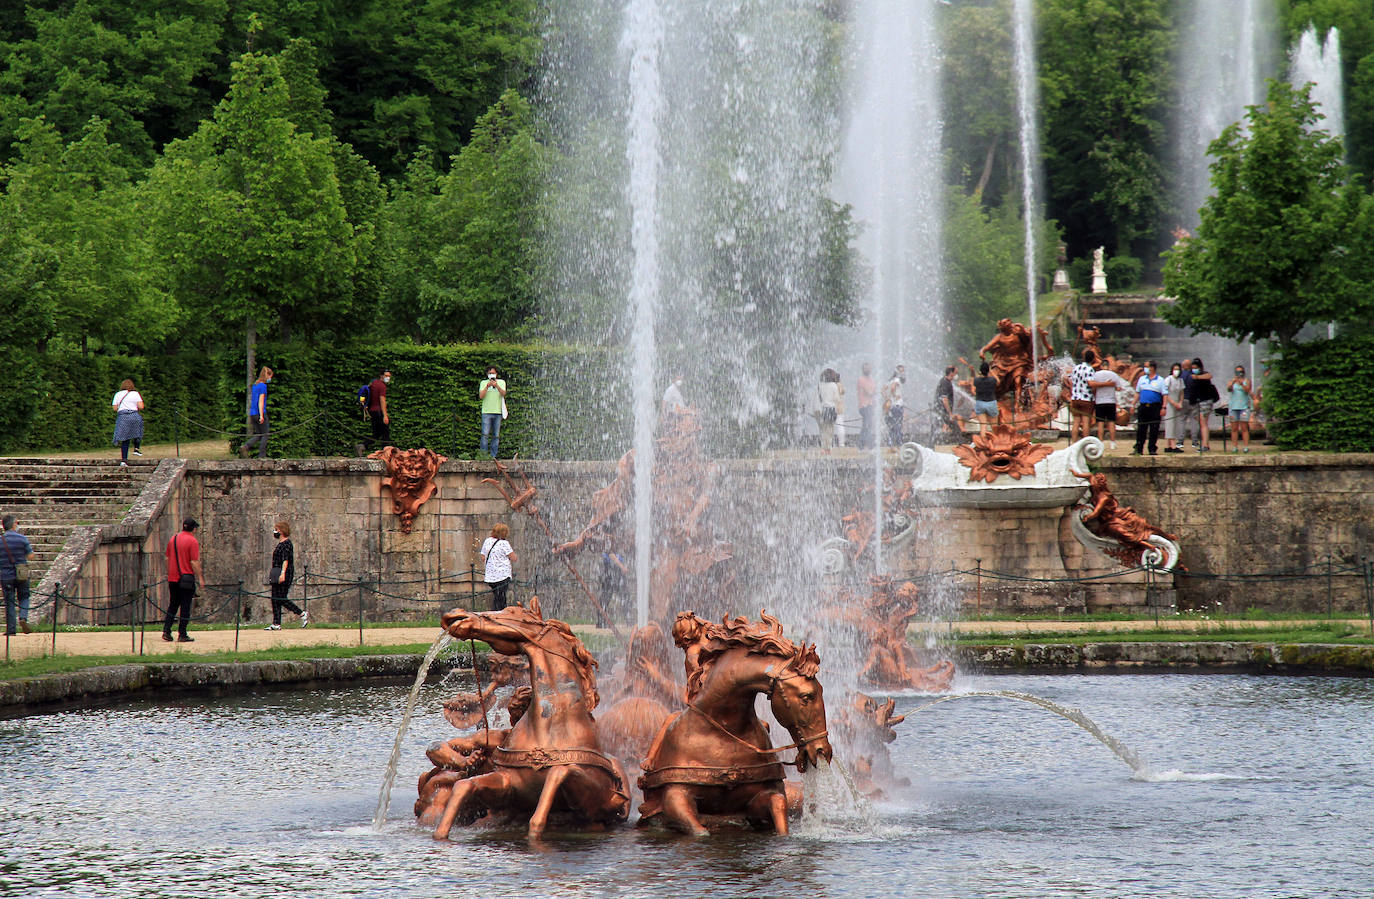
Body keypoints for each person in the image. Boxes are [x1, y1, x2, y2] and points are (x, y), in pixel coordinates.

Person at [264, 520, 307, 630]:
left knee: (281, 597)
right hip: (276, 571)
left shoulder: (287, 543)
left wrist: (283, 573)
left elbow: (285, 560)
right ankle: (276, 623)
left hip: (284, 572)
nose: (275, 531)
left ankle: (301, 613)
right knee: (275, 597)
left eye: (277, 529)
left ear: (282, 531)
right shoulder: (280, 544)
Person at [164, 517, 202, 642]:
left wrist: (170, 572)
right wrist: (200, 578)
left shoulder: (173, 539)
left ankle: (167, 630)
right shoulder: (192, 541)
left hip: (173, 577)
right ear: (194, 529)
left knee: (173, 605)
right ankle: (182, 633)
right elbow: (194, 562)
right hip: (186, 578)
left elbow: (167, 558)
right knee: (185, 606)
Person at [2, 514, 32, 636]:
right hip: (21, 573)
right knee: (24, 597)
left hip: (6, 574)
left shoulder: (1, 540)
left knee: (9, 601)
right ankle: (23, 617)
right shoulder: (22, 539)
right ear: (14, 524)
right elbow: (30, 555)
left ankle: (11, 629)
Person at [1088, 364, 1129, 449]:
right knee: (1111, 422)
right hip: (1111, 401)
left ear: (1101, 366)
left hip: (1100, 401)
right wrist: (1109, 385)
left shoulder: (1096, 374)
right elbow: (1118, 388)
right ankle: (1112, 442)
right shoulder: (1113, 375)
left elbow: (1092, 387)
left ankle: (1101, 442)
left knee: (1100, 423)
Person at [1133, 361, 1167, 456]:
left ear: (1152, 368)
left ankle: (1152, 448)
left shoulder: (1160, 380)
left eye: (1147, 367)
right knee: (1141, 428)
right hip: (1143, 406)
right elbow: (1137, 393)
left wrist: (1164, 407)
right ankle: (1139, 448)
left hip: (1155, 407)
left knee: (1154, 429)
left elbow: (1165, 395)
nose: (1145, 368)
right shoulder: (1142, 379)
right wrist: (1133, 404)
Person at [480, 523, 517, 611]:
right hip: (503, 575)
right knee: (501, 597)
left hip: (490, 576)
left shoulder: (487, 541)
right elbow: (514, 558)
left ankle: (498, 613)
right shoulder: (504, 543)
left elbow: (482, 557)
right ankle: (499, 615)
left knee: (498, 596)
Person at [1185, 357, 1217, 452]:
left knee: (1203, 423)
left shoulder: (1204, 374)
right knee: (1200, 421)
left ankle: (1205, 445)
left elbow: (1209, 376)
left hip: (1206, 401)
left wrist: (1198, 377)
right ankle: (1205, 444)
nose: (1194, 369)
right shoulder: (1191, 376)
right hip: (1197, 402)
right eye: (1193, 367)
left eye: (1196, 367)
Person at [240, 367, 272, 459]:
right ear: (267, 376)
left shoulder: (255, 385)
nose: (271, 379)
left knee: (259, 434)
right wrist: (261, 415)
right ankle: (262, 456)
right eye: (270, 377)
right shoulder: (263, 386)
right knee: (265, 434)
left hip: (252, 413)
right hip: (259, 412)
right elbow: (260, 401)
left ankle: (246, 446)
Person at [112, 379, 145, 467]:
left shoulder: (118, 394)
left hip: (123, 417)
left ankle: (124, 460)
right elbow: (141, 406)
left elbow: (115, 408)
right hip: (134, 415)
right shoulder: (135, 394)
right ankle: (136, 448)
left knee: (125, 438)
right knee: (137, 432)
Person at [1067, 349, 1098, 442]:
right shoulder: (1090, 369)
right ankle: (1084, 443)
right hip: (1086, 398)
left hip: (1075, 397)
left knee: (1076, 422)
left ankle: (1074, 442)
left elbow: (1071, 382)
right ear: (1093, 359)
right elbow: (1090, 383)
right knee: (1086, 422)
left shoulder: (1076, 368)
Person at [478, 366, 507, 459]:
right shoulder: (483, 383)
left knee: (496, 435)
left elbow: (503, 393)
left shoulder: (501, 382)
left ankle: (493, 456)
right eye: (490, 373)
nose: (492, 375)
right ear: (487, 374)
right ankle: (483, 455)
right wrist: (487, 386)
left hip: (498, 412)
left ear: (496, 374)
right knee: (485, 435)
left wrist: (496, 386)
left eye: (493, 373)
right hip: (486, 412)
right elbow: (481, 396)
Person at [1227, 364, 1256, 452]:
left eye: (1241, 372)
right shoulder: (1231, 381)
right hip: (1233, 407)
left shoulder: (1247, 381)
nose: (1239, 373)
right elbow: (1229, 389)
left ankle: (1246, 446)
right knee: (1234, 428)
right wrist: (1232, 383)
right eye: (1237, 372)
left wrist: (1241, 384)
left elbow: (1248, 390)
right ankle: (1235, 446)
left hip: (1243, 407)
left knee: (1244, 428)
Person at [364, 368, 392, 452]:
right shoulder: (382, 386)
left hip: (371, 411)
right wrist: (385, 415)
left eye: (389, 376)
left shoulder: (373, 383)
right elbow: (382, 400)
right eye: (386, 376)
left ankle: (363, 445)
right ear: (381, 376)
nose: (388, 378)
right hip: (378, 411)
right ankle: (386, 452)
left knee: (376, 433)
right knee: (385, 432)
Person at [1163, 362, 1187, 453]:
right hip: (1169, 404)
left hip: (1177, 403)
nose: (1176, 371)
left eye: (1178, 369)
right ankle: (1172, 445)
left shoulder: (1180, 380)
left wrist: (1180, 403)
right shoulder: (1168, 379)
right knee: (1170, 423)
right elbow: (1166, 393)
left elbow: (1181, 393)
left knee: (1175, 423)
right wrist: (1173, 403)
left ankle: (1169, 444)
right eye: (1175, 369)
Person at [817, 368, 841, 452]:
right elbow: (837, 399)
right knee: (830, 429)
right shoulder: (833, 385)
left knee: (823, 429)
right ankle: (828, 447)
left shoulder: (820, 385)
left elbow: (820, 397)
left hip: (824, 409)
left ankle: (823, 447)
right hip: (831, 409)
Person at [972, 362, 999, 433]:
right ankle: (995, 442)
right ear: (988, 371)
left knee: (983, 426)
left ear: (981, 370)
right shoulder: (992, 380)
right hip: (991, 403)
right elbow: (998, 381)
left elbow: (975, 379)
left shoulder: (977, 380)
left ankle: (983, 442)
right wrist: (991, 371)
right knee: (994, 427)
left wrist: (980, 372)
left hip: (980, 403)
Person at [882, 367, 905, 446]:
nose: (904, 374)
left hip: (891, 406)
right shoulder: (897, 380)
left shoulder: (890, 380)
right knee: (898, 426)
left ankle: (891, 444)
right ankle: (899, 445)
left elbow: (882, 390)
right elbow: (892, 388)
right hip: (897, 405)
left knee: (891, 426)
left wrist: (888, 399)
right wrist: (894, 396)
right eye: (902, 371)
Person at [933, 366, 957, 441]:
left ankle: (943, 442)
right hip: (942, 411)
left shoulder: (946, 381)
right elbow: (944, 399)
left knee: (949, 428)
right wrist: (950, 414)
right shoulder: (945, 382)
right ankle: (942, 443)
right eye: (955, 373)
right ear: (951, 373)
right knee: (945, 427)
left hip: (943, 411)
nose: (956, 375)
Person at [856, 363, 876, 448]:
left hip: (870, 405)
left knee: (866, 425)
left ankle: (861, 445)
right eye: (866, 368)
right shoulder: (861, 379)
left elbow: (874, 391)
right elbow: (867, 391)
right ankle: (870, 445)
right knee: (867, 425)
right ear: (863, 370)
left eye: (869, 368)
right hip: (864, 405)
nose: (868, 370)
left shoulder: (872, 379)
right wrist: (871, 392)